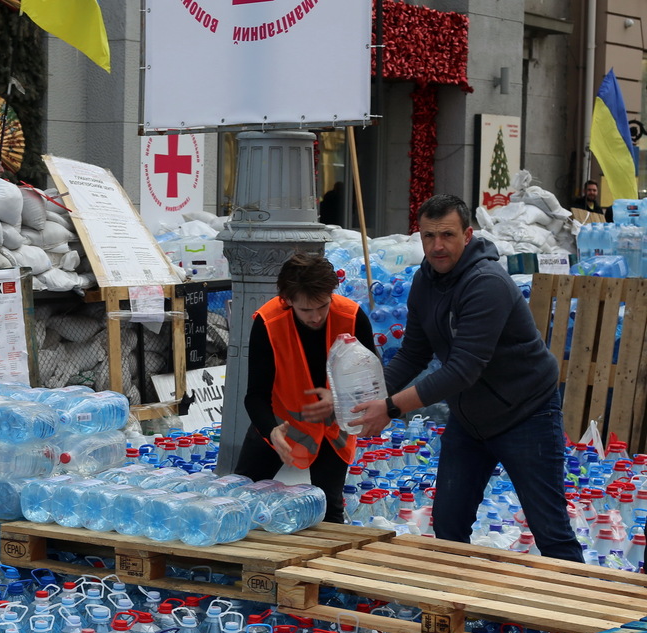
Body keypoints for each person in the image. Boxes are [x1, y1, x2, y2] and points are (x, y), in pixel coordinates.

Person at [350, 194, 584, 563]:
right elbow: (412, 353)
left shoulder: (486, 282)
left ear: (467, 235)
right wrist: (363, 396)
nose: (437, 246)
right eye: (428, 236)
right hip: (471, 419)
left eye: (447, 235)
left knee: (550, 530)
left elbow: (463, 368)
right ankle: (461, 610)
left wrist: (390, 408)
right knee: (448, 525)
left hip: (526, 414)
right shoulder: (425, 281)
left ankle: (583, 616)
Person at [235, 252, 376, 524]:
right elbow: (255, 395)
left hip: (333, 430)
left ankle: (328, 566)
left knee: (329, 509)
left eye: (322, 306)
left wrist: (338, 400)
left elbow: (372, 383)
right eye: (305, 310)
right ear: (287, 301)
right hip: (279, 423)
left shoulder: (352, 316)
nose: (316, 317)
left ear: (331, 294)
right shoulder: (267, 322)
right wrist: (270, 430)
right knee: (242, 498)